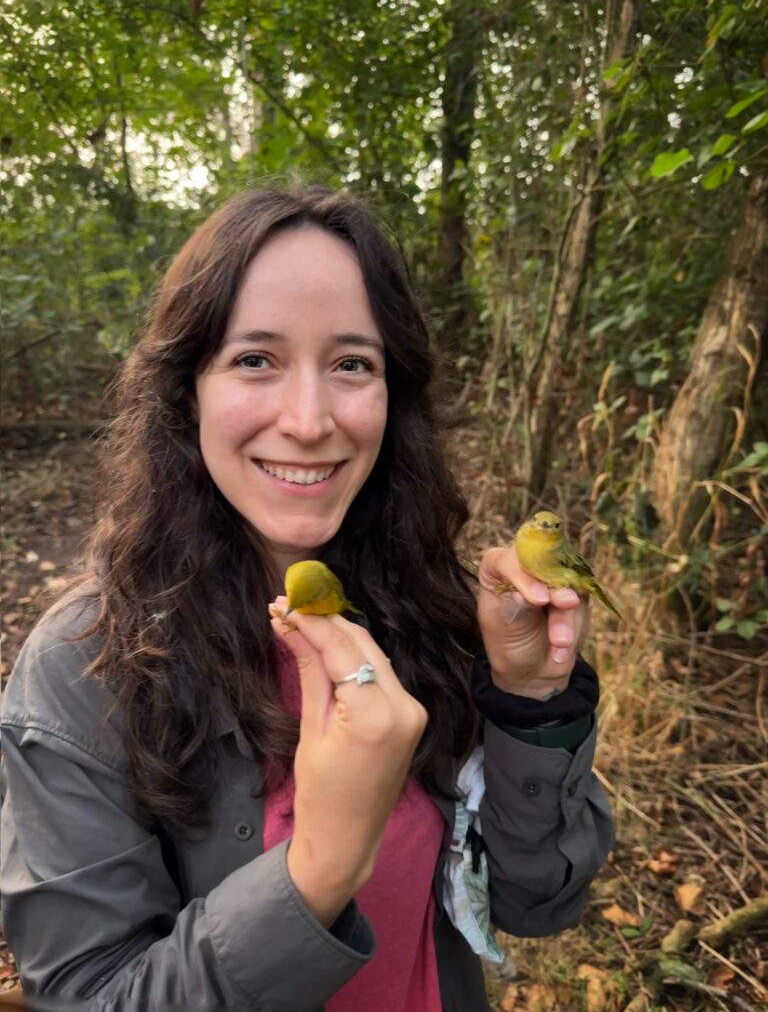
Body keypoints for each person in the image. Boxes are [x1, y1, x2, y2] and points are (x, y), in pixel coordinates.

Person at [0, 184, 613, 1011]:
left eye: (351, 363)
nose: (310, 418)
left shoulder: (425, 608)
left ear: (394, 396)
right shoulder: (79, 673)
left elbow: (536, 904)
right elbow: (88, 995)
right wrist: (319, 865)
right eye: (255, 358)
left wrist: (530, 702)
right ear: (188, 391)